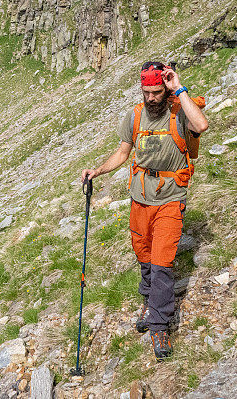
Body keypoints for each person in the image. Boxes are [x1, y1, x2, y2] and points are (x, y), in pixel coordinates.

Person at [81, 61, 209, 360]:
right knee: (144, 255)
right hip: (140, 197)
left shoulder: (180, 112)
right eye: (146, 91)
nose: (151, 98)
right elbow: (123, 152)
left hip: (170, 198)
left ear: (165, 88)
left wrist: (179, 87)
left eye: (156, 91)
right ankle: (149, 301)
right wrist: (97, 171)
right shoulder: (136, 115)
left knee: (162, 262)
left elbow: (201, 125)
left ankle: (159, 325)